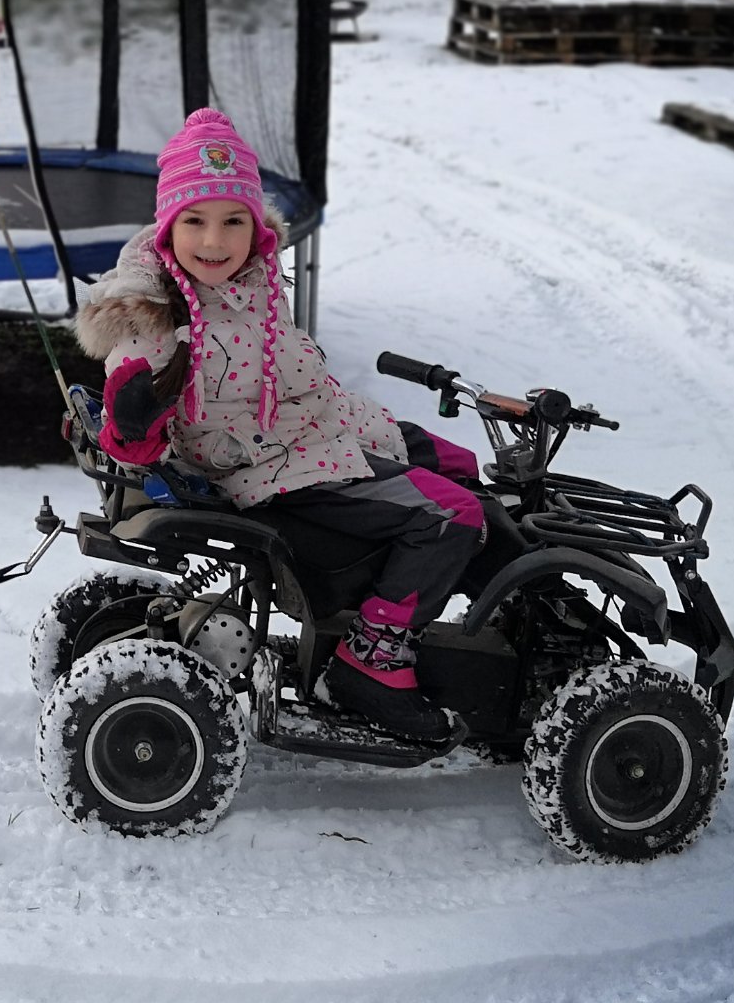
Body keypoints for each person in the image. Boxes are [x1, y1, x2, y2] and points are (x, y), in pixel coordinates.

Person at [75, 108, 486, 741]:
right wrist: (133, 422)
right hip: (266, 467)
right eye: (195, 221)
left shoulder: (256, 281)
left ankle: (465, 616)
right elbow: (135, 432)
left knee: (462, 465)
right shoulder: (154, 317)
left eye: (233, 220)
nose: (215, 241)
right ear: (168, 226)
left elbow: (291, 379)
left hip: (313, 429)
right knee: (453, 513)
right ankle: (372, 659)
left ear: (255, 226)